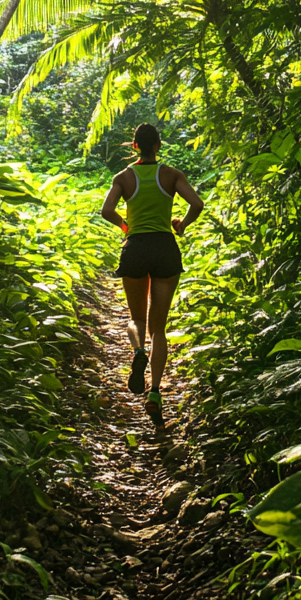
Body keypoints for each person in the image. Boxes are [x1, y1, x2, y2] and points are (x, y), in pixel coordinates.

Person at [100, 123, 204, 428]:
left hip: (135, 249)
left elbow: (107, 210)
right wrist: (181, 224)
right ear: (158, 145)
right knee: (159, 327)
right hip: (165, 249)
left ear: (134, 147)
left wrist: (124, 226)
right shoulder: (171, 175)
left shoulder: (124, 177)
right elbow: (196, 204)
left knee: (137, 319)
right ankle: (155, 393)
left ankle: (138, 350)